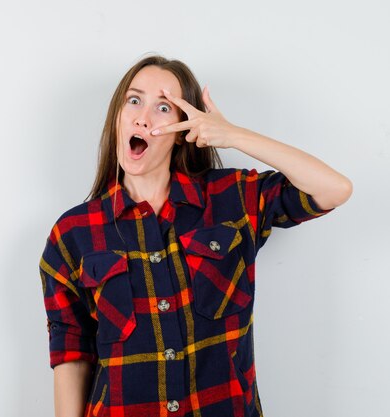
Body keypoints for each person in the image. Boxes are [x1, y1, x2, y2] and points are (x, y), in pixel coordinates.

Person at [38, 55, 352, 417]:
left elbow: (334, 189)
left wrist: (232, 135)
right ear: (118, 117)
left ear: (184, 128)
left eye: (163, 107)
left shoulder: (232, 199)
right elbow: (71, 355)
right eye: (134, 100)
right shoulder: (72, 234)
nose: (143, 116)